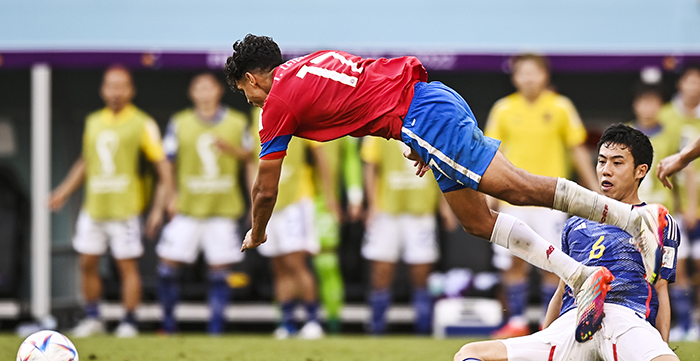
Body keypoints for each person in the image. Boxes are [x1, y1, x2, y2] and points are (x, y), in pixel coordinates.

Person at [225, 34, 667, 342]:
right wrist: (412, 138)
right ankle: (582, 276)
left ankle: (635, 219)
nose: (249, 100)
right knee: (476, 221)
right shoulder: (311, 63)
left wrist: (258, 231)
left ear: (251, 78)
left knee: (515, 187)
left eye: (244, 90)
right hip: (423, 110)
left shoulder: (277, 100)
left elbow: (266, 189)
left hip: (423, 115)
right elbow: (371, 87)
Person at [433, 124, 700, 361]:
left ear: (640, 171)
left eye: (617, 163)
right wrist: (538, 358)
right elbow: (561, 291)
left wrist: (660, 348)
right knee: (469, 353)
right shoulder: (575, 224)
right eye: (601, 161)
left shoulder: (655, 220)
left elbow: (661, 290)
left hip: (624, 321)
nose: (606, 170)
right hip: (571, 327)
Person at [49, 66, 172, 338]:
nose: (116, 92)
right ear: (103, 90)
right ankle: (93, 318)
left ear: (131, 90)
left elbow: (161, 164)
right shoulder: (94, 121)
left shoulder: (142, 122)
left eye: (121, 86)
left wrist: (164, 204)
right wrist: (64, 191)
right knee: (87, 263)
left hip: (125, 208)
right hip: (94, 207)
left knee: (126, 266)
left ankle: (129, 321)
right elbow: (86, 160)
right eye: (110, 86)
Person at [485, 54, 598, 339]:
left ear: (544, 75)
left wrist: (595, 190)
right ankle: (517, 322)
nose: (529, 78)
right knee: (514, 262)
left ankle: (553, 325)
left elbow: (576, 148)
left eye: (534, 72)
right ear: (514, 77)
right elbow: (490, 153)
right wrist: (489, 195)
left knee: (554, 262)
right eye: (522, 73)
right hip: (512, 200)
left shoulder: (560, 107)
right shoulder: (503, 108)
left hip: (550, 200)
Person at [155, 72, 250, 335]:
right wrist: (164, 201)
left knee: (220, 270)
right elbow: (167, 165)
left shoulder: (236, 121)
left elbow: (251, 158)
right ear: (192, 93)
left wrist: (254, 200)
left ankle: (216, 329)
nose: (205, 93)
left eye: (209, 87)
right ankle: (168, 325)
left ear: (219, 91)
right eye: (199, 88)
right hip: (188, 207)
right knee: (167, 265)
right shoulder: (180, 123)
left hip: (223, 208)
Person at [250, 107, 336, 339]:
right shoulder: (254, 117)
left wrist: (329, 195)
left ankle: (312, 321)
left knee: (296, 262)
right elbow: (252, 159)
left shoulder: (297, 110)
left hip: (296, 199)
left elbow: (320, 156)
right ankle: (287, 322)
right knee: (278, 264)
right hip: (269, 201)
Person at [361, 136, 457, 335]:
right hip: (386, 209)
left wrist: (444, 205)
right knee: (381, 269)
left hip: (421, 210)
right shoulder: (379, 126)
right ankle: (376, 328)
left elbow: (443, 165)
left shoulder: (429, 124)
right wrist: (371, 205)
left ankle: (424, 328)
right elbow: (370, 165)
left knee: (421, 270)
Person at [654, 66, 700, 340]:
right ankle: (685, 323)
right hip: (676, 207)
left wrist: (683, 158)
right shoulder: (666, 118)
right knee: (675, 267)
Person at [311, 137, 364, 334]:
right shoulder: (277, 111)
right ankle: (289, 323)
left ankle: (332, 323)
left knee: (327, 263)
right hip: (289, 200)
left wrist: (355, 195)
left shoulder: (341, 111)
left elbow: (350, 158)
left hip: (323, 202)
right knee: (285, 263)